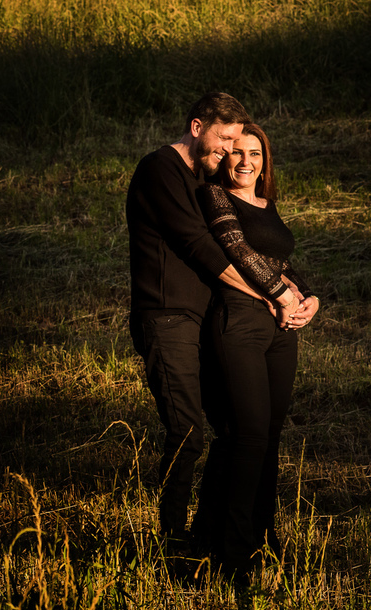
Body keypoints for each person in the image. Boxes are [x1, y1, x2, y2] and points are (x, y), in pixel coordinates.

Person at [126, 93, 265, 549]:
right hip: (167, 318)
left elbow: (238, 240)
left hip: (205, 321)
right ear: (196, 126)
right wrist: (263, 292)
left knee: (230, 427)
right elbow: (198, 245)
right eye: (223, 139)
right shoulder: (159, 169)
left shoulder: (205, 181)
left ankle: (209, 533)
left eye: (235, 142)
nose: (228, 150)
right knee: (186, 431)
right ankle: (170, 542)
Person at [192, 123, 319, 576]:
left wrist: (309, 296)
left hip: (280, 329)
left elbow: (280, 260)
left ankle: (264, 538)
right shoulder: (214, 196)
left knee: (270, 435)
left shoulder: (266, 204)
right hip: (239, 320)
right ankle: (233, 555)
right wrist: (281, 295)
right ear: (224, 158)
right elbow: (237, 249)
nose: (246, 162)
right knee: (247, 435)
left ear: (265, 162)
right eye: (238, 152)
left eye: (256, 154)